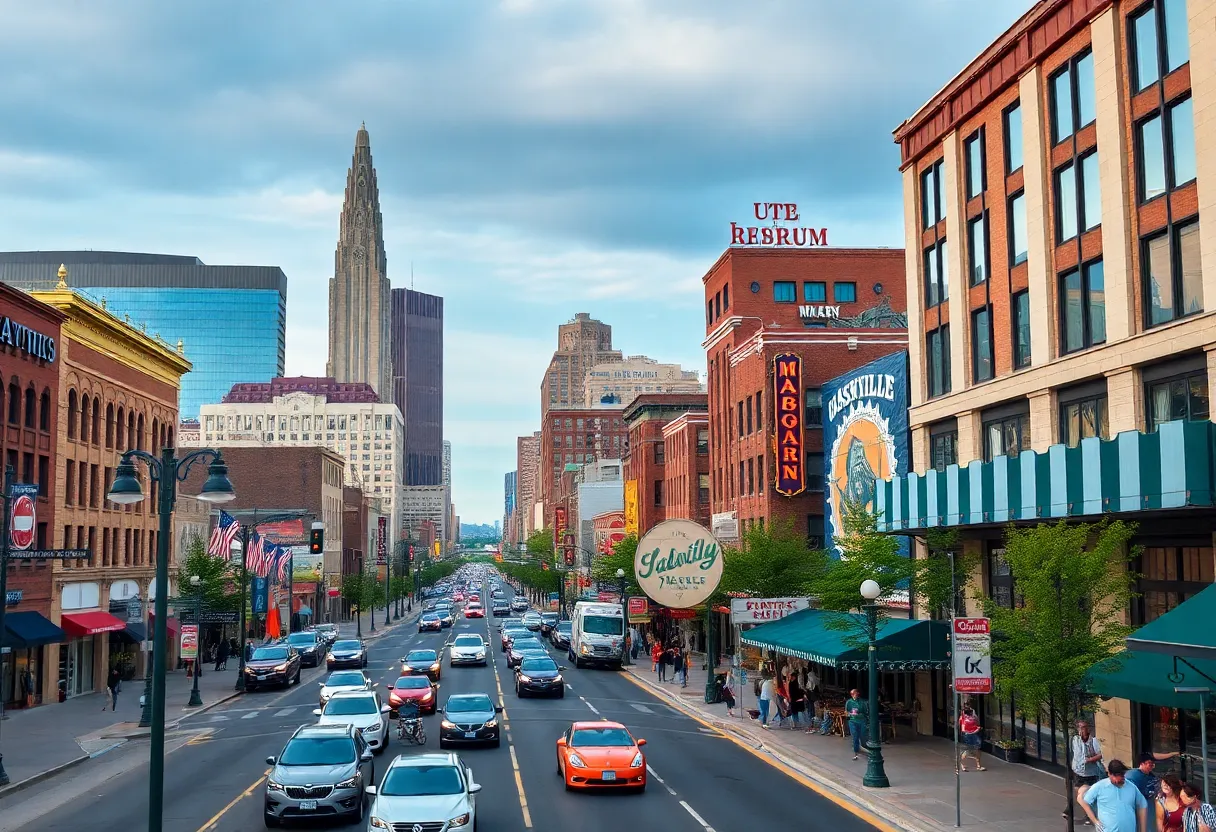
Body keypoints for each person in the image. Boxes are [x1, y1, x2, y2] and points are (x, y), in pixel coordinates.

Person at [1082, 759, 1148, 832]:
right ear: (1109, 774)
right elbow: (1085, 801)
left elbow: (1142, 805)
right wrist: (1095, 821)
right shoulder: (1099, 786)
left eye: (1121, 777)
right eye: (1115, 777)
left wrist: (1143, 830)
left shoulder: (1132, 787)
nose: (1117, 780)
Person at [1071, 720, 1105, 822]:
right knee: (1080, 795)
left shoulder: (1093, 741)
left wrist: (1090, 760)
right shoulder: (1075, 740)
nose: (1082, 730)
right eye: (1080, 728)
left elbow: (1100, 755)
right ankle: (1088, 813)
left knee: (1089, 795)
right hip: (1079, 771)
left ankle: (1090, 815)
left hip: (1091, 772)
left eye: (1084, 727)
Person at [958, 705, 986, 772]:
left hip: (968, 734)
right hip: (972, 734)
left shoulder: (963, 717)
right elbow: (977, 723)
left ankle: (962, 764)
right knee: (976, 750)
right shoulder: (972, 717)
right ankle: (978, 765)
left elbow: (960, 727)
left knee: (969, 750)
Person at [845, 688, 868, 761]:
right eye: (852, 694)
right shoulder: (849, 702)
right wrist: (850, 714)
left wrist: (861, 715)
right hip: (852, 721)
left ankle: (864, 748)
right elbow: (846, 712)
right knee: (855, 735)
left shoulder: (862, 702)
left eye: (854, 693)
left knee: (863, 735)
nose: (853, 695)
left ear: (858, 694)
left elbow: (865, 712)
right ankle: (856, 752)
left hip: (861, 720)